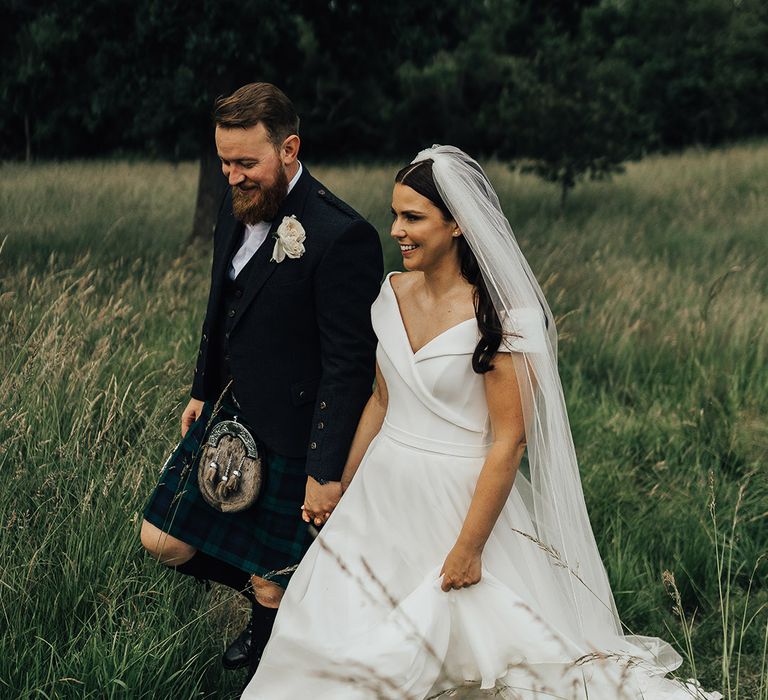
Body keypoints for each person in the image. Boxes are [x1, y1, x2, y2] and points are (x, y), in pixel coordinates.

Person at [240, 146, 721, 699]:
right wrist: (340, 486)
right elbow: (379, 399)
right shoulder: (390, 291)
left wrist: (469, 548)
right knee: (335, 630)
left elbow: (510, 441)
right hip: (381, 492)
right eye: (395, 214)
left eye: (413, 217)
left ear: (460, 226)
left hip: (459, 500)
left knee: (469, 649)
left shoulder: (504, 318)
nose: (396, 230)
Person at [140, 82, 383, 673]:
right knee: (163, 538)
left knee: (273, 582)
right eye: (224, 162)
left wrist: (326, 472)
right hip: (231, 411)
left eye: (246, 162)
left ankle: (274, 634)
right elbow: (220, 304)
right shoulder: (234, 202)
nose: (233, 175)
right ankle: (273, 594)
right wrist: (203, 388)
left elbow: (349, 365)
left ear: (290, 149)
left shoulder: (340, 235)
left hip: (297, 434)